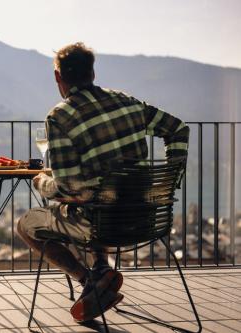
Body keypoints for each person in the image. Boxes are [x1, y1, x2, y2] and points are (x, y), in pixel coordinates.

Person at [17, 43, 189, 321]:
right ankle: (101, 270)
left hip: (101, 224)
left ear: (58, 78)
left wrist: (41, 182)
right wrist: (170, 182)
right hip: (148, 217)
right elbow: (178, 129)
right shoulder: (128, 103)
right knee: (100, 197)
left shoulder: (60, 117)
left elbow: (68, 188)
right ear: (93, 73)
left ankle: (89, 281)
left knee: (26, 225)